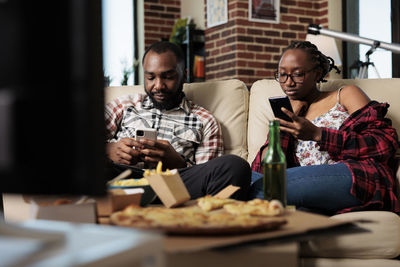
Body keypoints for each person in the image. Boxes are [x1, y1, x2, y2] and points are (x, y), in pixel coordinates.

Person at [251, 41, 399, 215]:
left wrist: (317, 134)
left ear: (318, 73)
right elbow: (261, 170)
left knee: (247, 185)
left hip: (354, 176)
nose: (288, 83)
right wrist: (281, 130)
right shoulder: (289, 114)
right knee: (245, 178)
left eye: (297, 75)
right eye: (282, 75)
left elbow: (384, 143)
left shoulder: (345, 95)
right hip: (308, 187)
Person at [105, 41, 250, 200]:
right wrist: (108, 149)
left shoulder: (205, 120)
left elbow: (206, 174)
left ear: (184, 75)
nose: (158, 86)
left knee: (235, 166)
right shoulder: (124, 105)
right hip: (123, 179)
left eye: (168, 77)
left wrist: (178, 164)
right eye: (151, 77)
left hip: (176, 186)